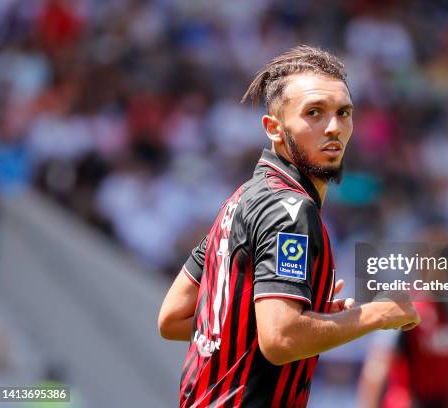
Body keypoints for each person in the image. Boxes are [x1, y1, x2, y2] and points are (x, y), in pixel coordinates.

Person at [158, 45, 420, 408]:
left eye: (343, 113)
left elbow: (174, 318)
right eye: (314, 113)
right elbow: (281, 340)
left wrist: (305, 319)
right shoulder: (290, 210)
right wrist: (379, 314)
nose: (334, 128)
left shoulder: (241, 200)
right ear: (274, 128)